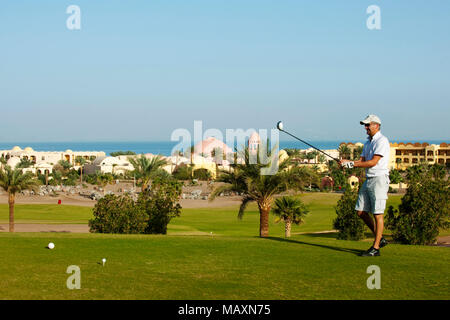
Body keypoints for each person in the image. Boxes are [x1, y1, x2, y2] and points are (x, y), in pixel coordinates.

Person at [340, 115, 390, 257]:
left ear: (377, 126)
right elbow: (362, 160)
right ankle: (380, 239)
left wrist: (351, 164)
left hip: (379, 179)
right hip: (369, 179)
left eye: (368, 125)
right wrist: (346, 162)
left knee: (377, 213)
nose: (365, 128)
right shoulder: (368, 142)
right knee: (360, 211)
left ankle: (375, 248)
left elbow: (373, 162)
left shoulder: (382, 141)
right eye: (365, 125)